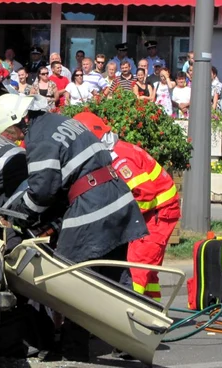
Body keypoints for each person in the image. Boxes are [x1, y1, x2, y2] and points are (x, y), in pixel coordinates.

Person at [0, 93, 148, 363]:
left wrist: (16, 217)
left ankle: (74, 351)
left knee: (71, 278)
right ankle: (137, 339)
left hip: (93, 206)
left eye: (10, 131)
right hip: (117, 199)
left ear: (17, 121)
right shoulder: (61, 122)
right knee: (114, 274)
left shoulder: (39, 137)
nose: (13, 138)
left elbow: (42, 190)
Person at [75, 112, 180, 302]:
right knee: (149, 271)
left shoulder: (120, 159)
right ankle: (152, 312)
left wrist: (120, 219)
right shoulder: (116, 153)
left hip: (157, 214)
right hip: (156, 212)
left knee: (136, 267)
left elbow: (145, 195)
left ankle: (129, 311)